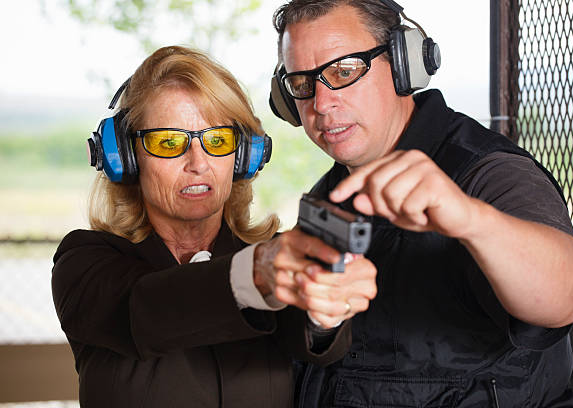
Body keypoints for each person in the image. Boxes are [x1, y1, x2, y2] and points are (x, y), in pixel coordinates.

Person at [267, 0, 573, 406]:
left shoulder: (487, 172)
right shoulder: (327, 195)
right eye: (302, 83)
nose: (321, 103)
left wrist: (471, 220)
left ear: (404, 64)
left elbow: (566, 298)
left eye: (344, 72)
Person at [51, 45, 377, 408]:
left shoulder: (278, 258)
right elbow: (144, 311)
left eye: (218, 140)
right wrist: (254, 276)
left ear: (244, 156)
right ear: (126, 156)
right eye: (168, 141)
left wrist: (325, 305)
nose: (198, 163)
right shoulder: (84, 263)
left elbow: (312, 340)